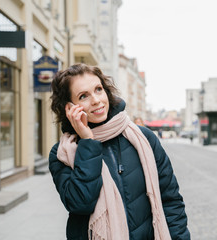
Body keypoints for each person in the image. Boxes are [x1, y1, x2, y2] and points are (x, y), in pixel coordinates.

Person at [49, 63, 190, 240]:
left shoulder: (143, 137)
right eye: (83, 96)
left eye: (98, 89)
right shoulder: (63, 153)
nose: (96, 100)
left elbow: (170, 200)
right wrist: (87, 141)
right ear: (69, 108)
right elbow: (80, 203)